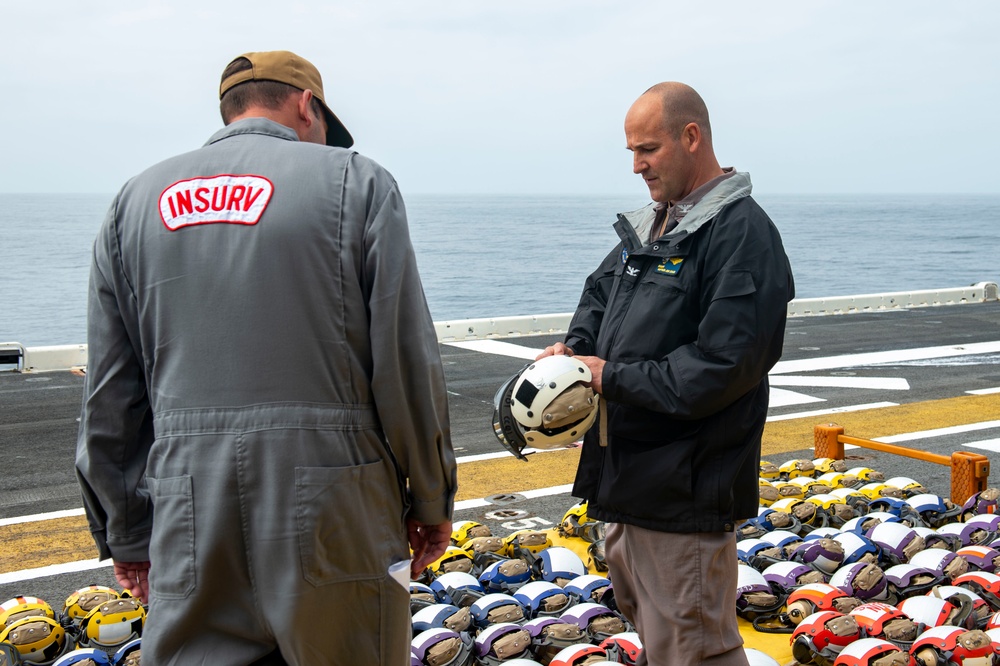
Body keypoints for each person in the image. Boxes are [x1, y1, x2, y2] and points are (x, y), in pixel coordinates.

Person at [76, 50, 456, 665]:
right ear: (307, 106)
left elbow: (110, 393)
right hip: (336, 498)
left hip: (188, 504)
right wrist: (431, 498)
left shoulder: (132, 203)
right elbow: (406, 363)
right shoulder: (355, 182)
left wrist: (125, 531)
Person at [538, 83, 794, 665]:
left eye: (648, 148)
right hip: (628, 486)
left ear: (691, 136)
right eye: (631, 151)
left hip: (684, 494)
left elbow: (721, 367)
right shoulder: (654, 226)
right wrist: (573, 351)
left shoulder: (742, 235)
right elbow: (598, 298)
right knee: (662, 644)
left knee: (696, 650)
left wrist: (609, 377)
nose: (637, 166)